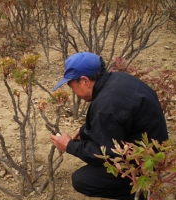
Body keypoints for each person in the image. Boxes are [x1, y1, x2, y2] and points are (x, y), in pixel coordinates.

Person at [50, 52, 168, 200]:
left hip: (145, 165)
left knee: (82, 179)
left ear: (85, 81)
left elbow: (107, 156)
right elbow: (118, 120)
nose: (73, 92)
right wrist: (84, 131)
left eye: (72, 86)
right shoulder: (117, 79)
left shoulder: (106, 106)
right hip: (154, 149)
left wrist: (69, 145)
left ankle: (140, 193)